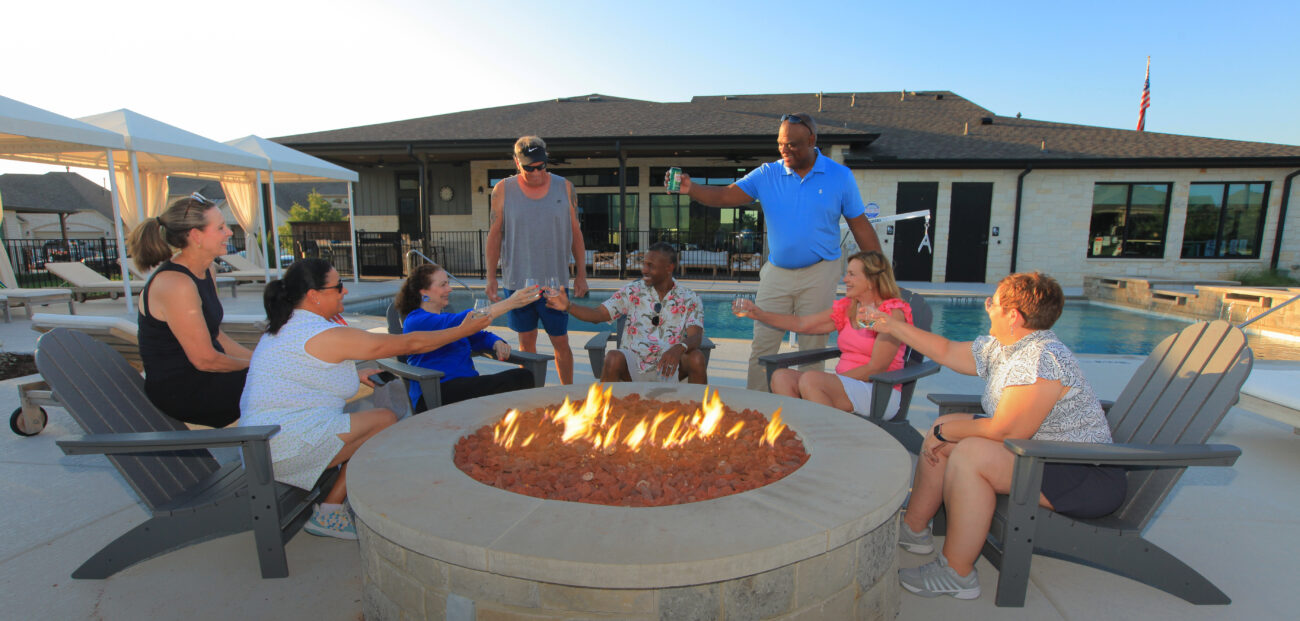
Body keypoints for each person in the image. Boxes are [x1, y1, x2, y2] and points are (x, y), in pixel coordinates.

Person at [864, 272, 1125, 600]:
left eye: (993, 303)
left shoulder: (1042, 357)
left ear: (1012, 315)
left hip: (1081, 472)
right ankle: (914, 529)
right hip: (1040, 453)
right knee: (947, 429)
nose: (988, 307)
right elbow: (946, 349)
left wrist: (948, 432)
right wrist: (892, 325)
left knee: (968, 453)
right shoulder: (1008, 347)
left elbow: (1008, 430)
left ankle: (957, 574)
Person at [239, 259, 492, 540]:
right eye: (338, 286)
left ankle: (340, 500)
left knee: (371, 419)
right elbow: (410, 344)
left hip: (263, 444)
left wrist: (356, 375)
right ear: (314, 295)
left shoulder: (287, 327)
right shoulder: (321, 333)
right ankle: (329, 511)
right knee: (384, 420)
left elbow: (300, 372)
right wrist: (464, 330)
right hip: (283, 446)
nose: (345, 291)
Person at [667, 113, 882, 391]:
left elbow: (860, 225)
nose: (784, 149)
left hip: (821, 272)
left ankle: (808, 407)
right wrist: (691, 188)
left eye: (792, 144)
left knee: (812, 350)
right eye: (781, 143)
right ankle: (757, 407)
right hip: (777, 273)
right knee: (762, 349)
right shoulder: (767, 174)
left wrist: (879, 275)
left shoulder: (839, 176)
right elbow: (725, 195)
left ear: (811, 141)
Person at [733, 251, 910, 417]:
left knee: (811, 380)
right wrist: (759, 314)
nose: (845, 279)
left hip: (879, 392)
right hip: (844, 386)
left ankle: (825, 432)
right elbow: (802, 324)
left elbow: (876, 367)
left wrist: (831, 381)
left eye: (852, 274)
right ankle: (802, 427)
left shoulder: (892, 314)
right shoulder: (849, 308)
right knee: (781, 377)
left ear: (871, 280)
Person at [127, 192, 251, 427]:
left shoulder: (207, 270)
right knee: (285, 383)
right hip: (184, 391)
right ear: (196, 236)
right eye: (220, 228)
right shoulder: (176, 284)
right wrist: (258, 367)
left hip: (208, 377)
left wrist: (259, 358)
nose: (229, 232)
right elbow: (205, 360)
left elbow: (216, 336)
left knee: (289, 378)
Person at [485, 135, 588, 385]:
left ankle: (567, 394)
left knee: (560, 341)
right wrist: (490, 277)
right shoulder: (502, 190)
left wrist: (581, 275)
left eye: (541, 166)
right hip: (518, 282)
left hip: (554, 283)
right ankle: (531, 392)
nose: (536, 173)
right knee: (526, 342)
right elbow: (494, 235)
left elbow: (576, 233)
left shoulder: (565, 187)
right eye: (529, 168)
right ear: (516, 163)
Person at [545, 242, 707, 384]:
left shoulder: (689, 298)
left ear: (669, 267)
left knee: (696, 358)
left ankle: (700, 408)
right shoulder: (633, 291)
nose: (644, 269)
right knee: (613, 357)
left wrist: (679, 348)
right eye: (644, 264)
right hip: (634, 367)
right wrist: (569, 306)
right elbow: (598, 314)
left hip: (670, 367)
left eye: (651, 265)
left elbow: (696, 336)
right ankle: (603, 408)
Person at [394, 264, 542, 410]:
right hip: (435, 393)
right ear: (423, 292)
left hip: (466, 387)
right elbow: (466, 320)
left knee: (523, 378)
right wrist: (511, 302)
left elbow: (479, 336)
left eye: (448, 283)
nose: (449, 289)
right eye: (443, 285)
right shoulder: (416, 320)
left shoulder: (447, 319)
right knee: (519, 379)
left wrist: (496, 342)